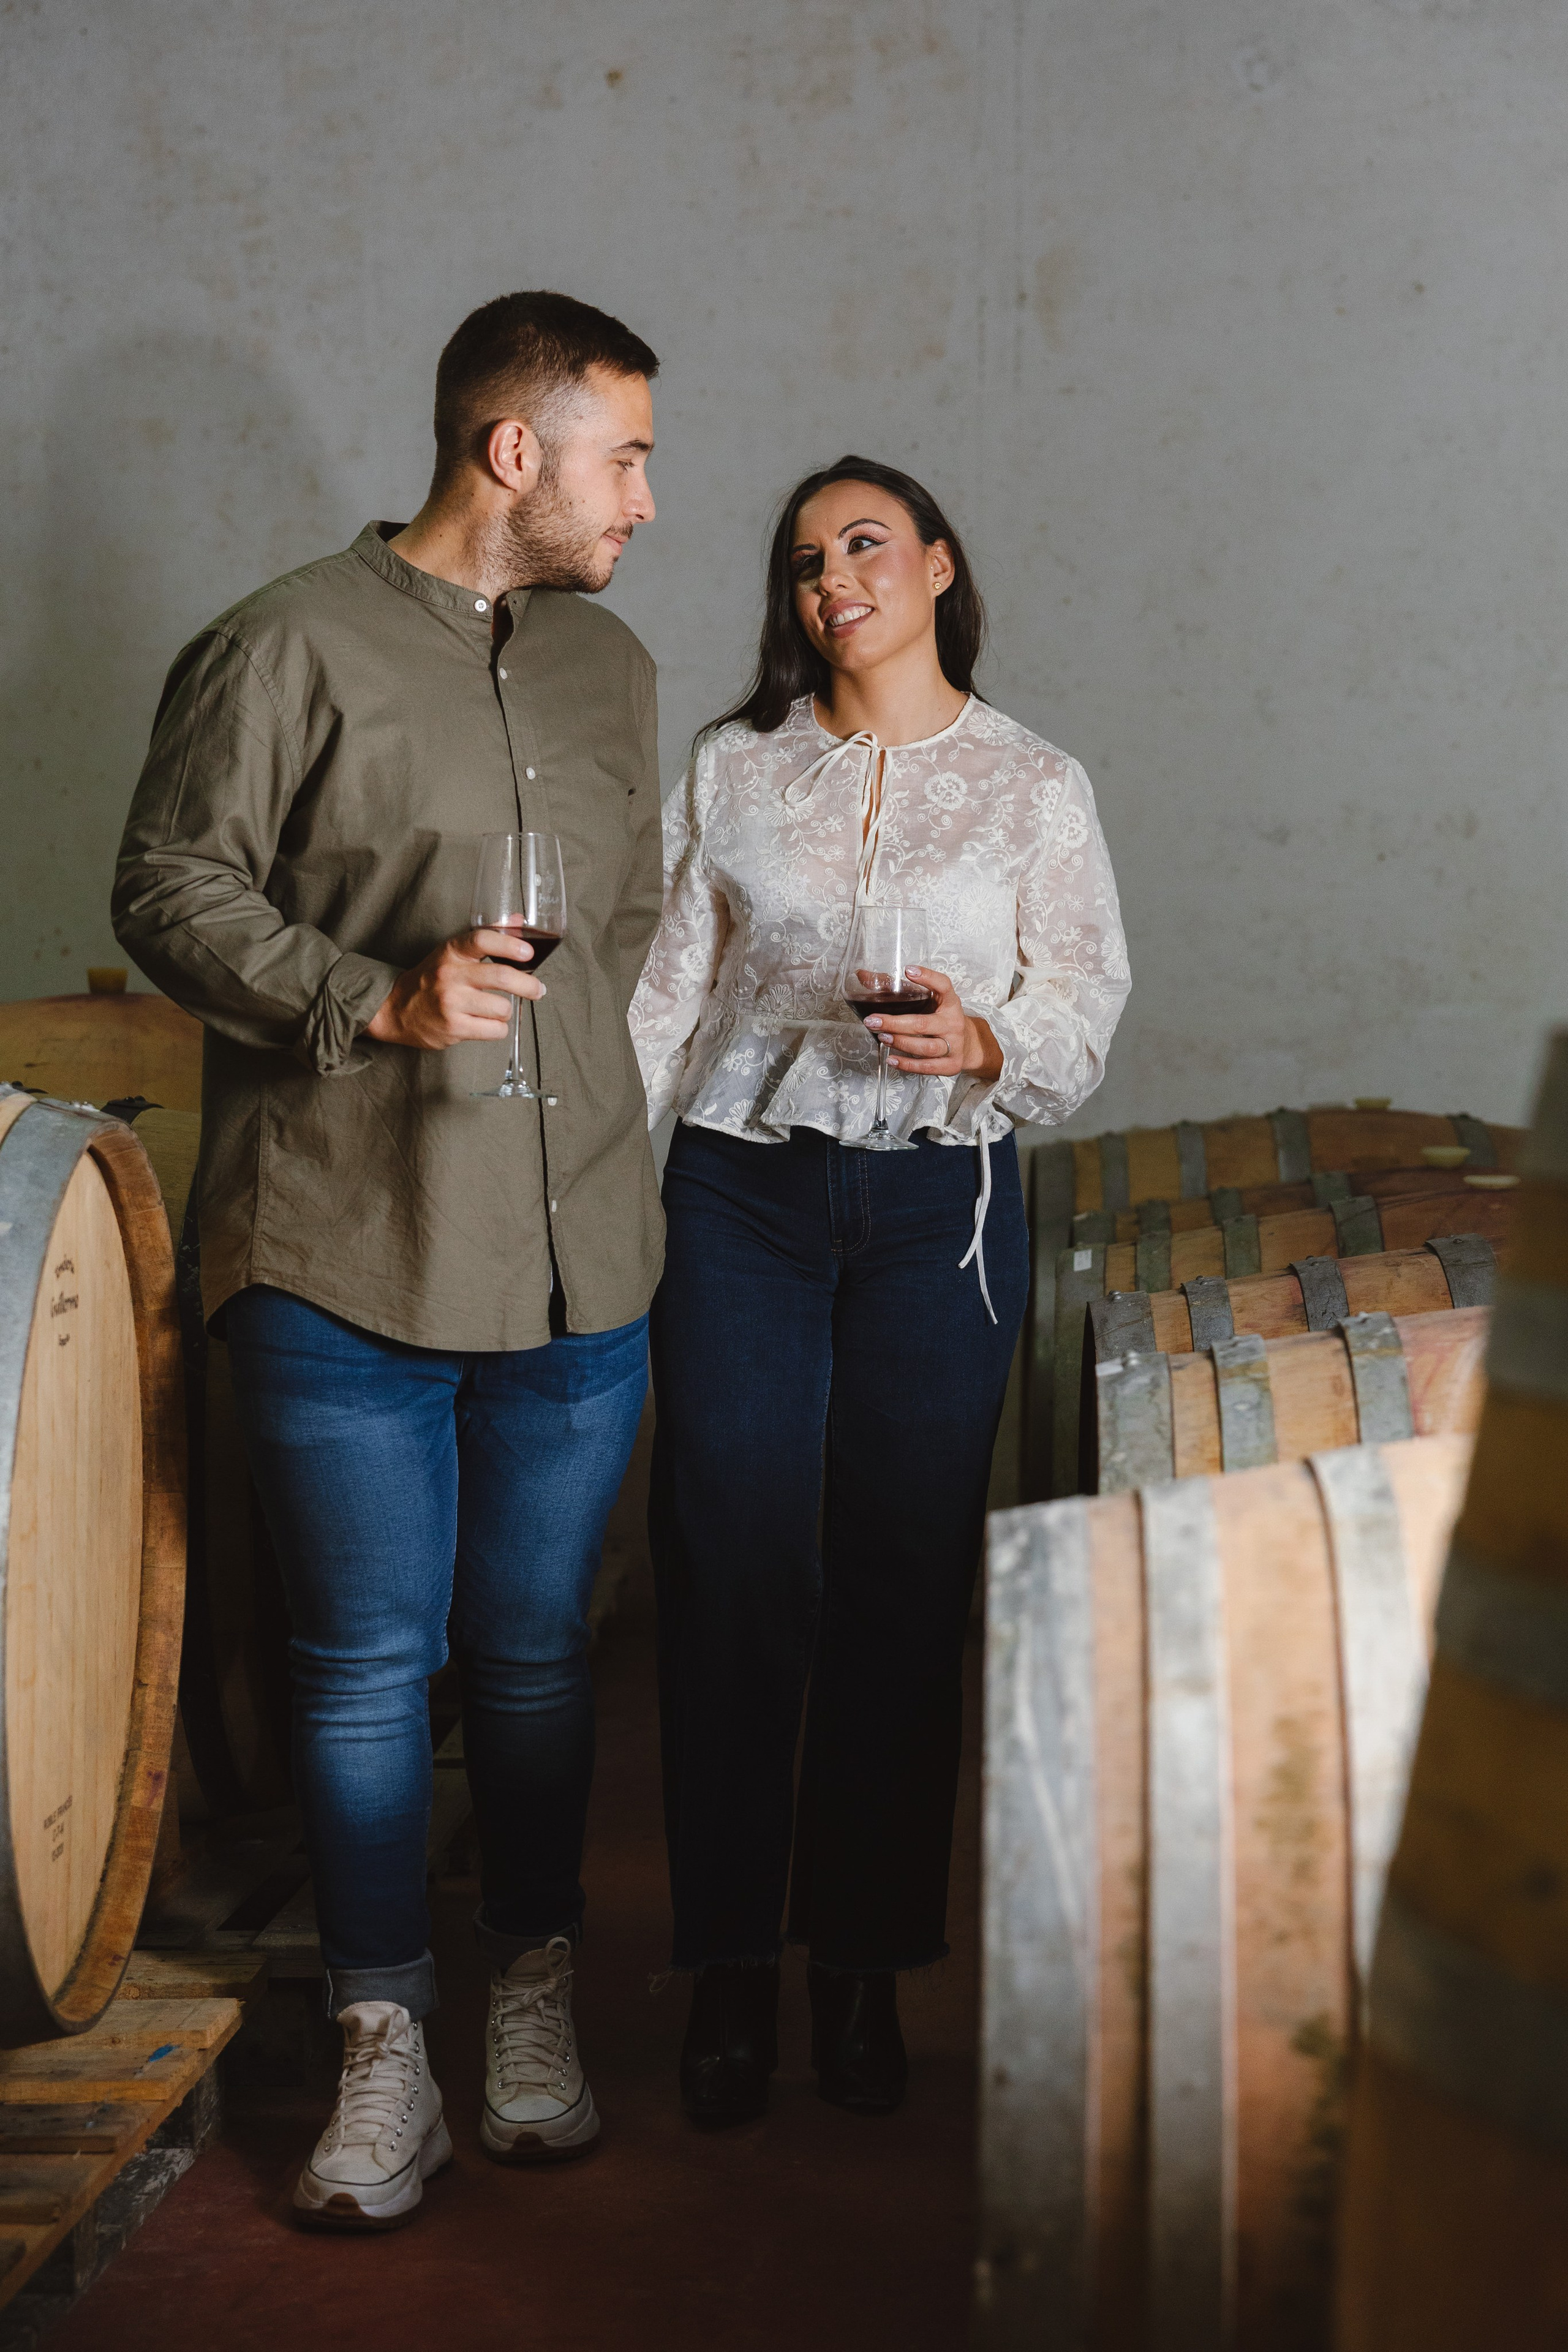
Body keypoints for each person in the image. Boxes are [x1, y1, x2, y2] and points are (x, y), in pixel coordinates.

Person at [113, 291, 664, 2226]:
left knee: (534, 1661)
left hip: (580, 1253)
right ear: (515, 455)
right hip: (348, 1246)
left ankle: (527, 1998)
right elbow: (167, 882)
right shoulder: (282, 644)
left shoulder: (613, 670)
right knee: (365, 1670)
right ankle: (380, 2050)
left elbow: (639, 929)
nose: (649, 501)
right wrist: (371, 999)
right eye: (628, 457)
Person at [630, 456, 1129, 2125]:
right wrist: (604, 1200)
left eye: (862, 544)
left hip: (941, 1204)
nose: (830, 579)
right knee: (732, 1568)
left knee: (905, 1583)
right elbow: (658, 1000)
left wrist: (991, 1041)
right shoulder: (734, 769)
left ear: (936, 564)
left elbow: (1083, 992)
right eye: (801, 561)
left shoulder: (1034, 783)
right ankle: (726, 1969)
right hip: (740, 1192)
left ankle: (858, 1969)